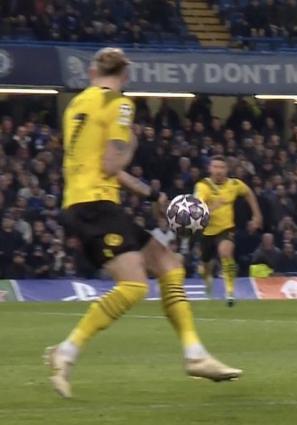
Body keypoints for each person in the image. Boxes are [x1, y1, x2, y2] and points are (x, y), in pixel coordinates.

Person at [45, 48, 242, 399]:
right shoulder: (120, 104)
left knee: (169, 263)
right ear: (125, 75)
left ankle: (195, 353)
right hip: (95, 205)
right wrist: (132, 144)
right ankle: (67, 351)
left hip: (85, 201)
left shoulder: (76, 105)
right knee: (134, 286)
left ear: (92, 72)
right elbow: (111, 164)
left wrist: (151, 194)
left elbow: (100, 166)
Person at [194, 155, 262, 307]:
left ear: (227, 169)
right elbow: (197, 209)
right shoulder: (203, 186)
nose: (218, 171)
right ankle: (207, 280)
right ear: (210, 169)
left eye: (222, 167)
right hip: (206, 231)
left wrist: (257, 215)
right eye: (215, 167)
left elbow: (249, 193)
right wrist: (214, 206)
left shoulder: (234, 184)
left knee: (225, 253)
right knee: (205, 267)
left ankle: (230, 292)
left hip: (226, 229)